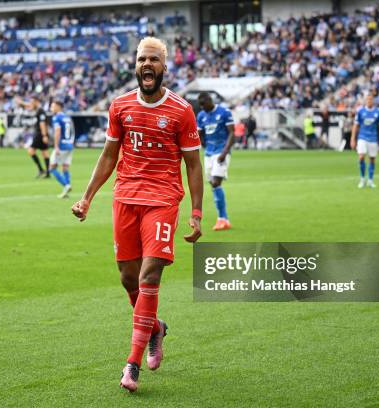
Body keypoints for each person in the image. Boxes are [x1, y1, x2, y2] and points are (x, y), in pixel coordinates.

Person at [71, 36, 203, 393]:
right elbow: (108, 156)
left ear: (164, 67)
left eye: (154, 60)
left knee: (149, 273)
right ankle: (155, 327)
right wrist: (86, 197)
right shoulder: (120, 106)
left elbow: (193, 163)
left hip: (162, 200)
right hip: (125, 198)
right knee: (128, 278)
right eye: (142, 59)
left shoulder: (181, 110)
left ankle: (132, 363)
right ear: (136, 65)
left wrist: (195, 211)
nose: (147, 64)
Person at [197, 92, 234, 231]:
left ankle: (222, 219)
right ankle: (224, 219)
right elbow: (199, 135)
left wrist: (225, 152)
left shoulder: (224, 112)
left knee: (216, 182)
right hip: (208, 153)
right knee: (213, 185)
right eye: (200, 106)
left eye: (204, 105)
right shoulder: (201, 116)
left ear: (210, 101)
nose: (203, 108)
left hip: (221, 152)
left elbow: (232, 132)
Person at [350, 93, 379, 188]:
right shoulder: (361, 112)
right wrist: (353, 139)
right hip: (362, 137)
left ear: (373, 101)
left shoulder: (378, 113)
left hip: (373, 138)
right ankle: (362, 179)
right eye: (368, 99)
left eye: (371, 99)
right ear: (365, 101)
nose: (369, 101)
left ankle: (370, 180)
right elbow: (355, 126)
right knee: (361, 157)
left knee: (372, 159)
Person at [15, 95, 50, 178]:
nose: (30, 103)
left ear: (36, 101)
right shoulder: (38, 109)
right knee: (44, 152)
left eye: (32, 102)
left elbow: (42, 124)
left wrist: (44, 135)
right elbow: (28, 106)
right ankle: (48, 173)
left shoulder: (40, 111)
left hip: (40, 134)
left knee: (31, 151)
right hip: (41, 133)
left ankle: (41, 170)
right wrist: (21, 103)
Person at [49, 100, 74, 198]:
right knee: (65, 167)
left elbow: (57, 132)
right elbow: (72, 131)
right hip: (69, 145)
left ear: (58, 106)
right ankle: (66, 191)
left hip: (61, 146)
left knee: (52, 168)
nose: (51, 108)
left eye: (52, 106)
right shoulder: (67, 117)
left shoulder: (56, 118)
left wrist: (56, 146)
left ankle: (66, 185)